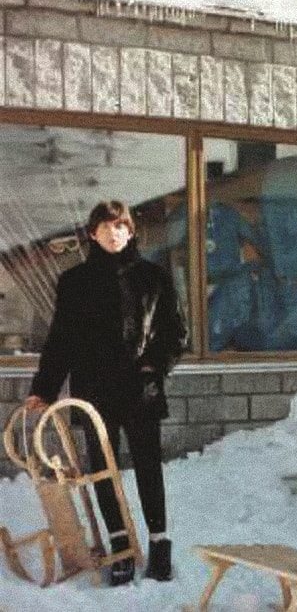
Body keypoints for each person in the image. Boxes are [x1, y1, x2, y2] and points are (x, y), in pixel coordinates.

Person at [24, 200, 188, 586]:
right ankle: (120, 548)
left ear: (130, 231)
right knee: (102, 470)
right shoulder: (75, 282)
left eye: (120, 227)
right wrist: (44, 389)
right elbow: (60, 340)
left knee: (148, 465)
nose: (113, 233)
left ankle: (159, 542)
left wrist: (155, 366)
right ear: (93, 233)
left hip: (140, 388)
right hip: (94, 391)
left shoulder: (153, 277)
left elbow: (176, 332)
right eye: (105, 227)